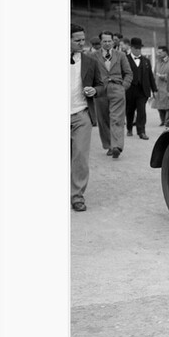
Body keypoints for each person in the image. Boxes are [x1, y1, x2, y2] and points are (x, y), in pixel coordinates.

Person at [70, 24, 105, 211]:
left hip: (82, 114)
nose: (82, 43)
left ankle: (77, 196)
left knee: (81, 158)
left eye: (83, 39)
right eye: (77, 40)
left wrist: (94, 90)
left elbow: (101, 85)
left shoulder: (90, 61)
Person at [93, 29, 132, 159]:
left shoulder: (120, 55)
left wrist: (123, 87)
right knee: (103, 119)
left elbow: (128, 73)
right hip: (100, 90)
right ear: (100, 42)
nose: (108, 43)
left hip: (117, 89)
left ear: (113, 41)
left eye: (110, 41)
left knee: (117, 118)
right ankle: (108, 145)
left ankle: (117, 146)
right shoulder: (93, 56)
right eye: (105, 41)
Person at [125, 37, 158, 140]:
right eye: (135, 48)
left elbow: (150, 76)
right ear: (131, 48)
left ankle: (141, 131)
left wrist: (154, 90)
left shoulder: (146, 61)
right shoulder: (125, 59)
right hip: (129, 90)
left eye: (139, 48)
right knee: (129, 110)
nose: (138, 50)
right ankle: (129, 128)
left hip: (142, 90)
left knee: (141, 111)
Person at [153, 45, 169, 126]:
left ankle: (168, 121)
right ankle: (162, 120)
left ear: (165, 52)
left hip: (166, 86)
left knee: (168, 106)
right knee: (159, 105)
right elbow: (154, 73)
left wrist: (164, 77)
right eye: (158, 52)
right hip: (158, 86)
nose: (158, 54)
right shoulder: (157, 62)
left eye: (160, 52)